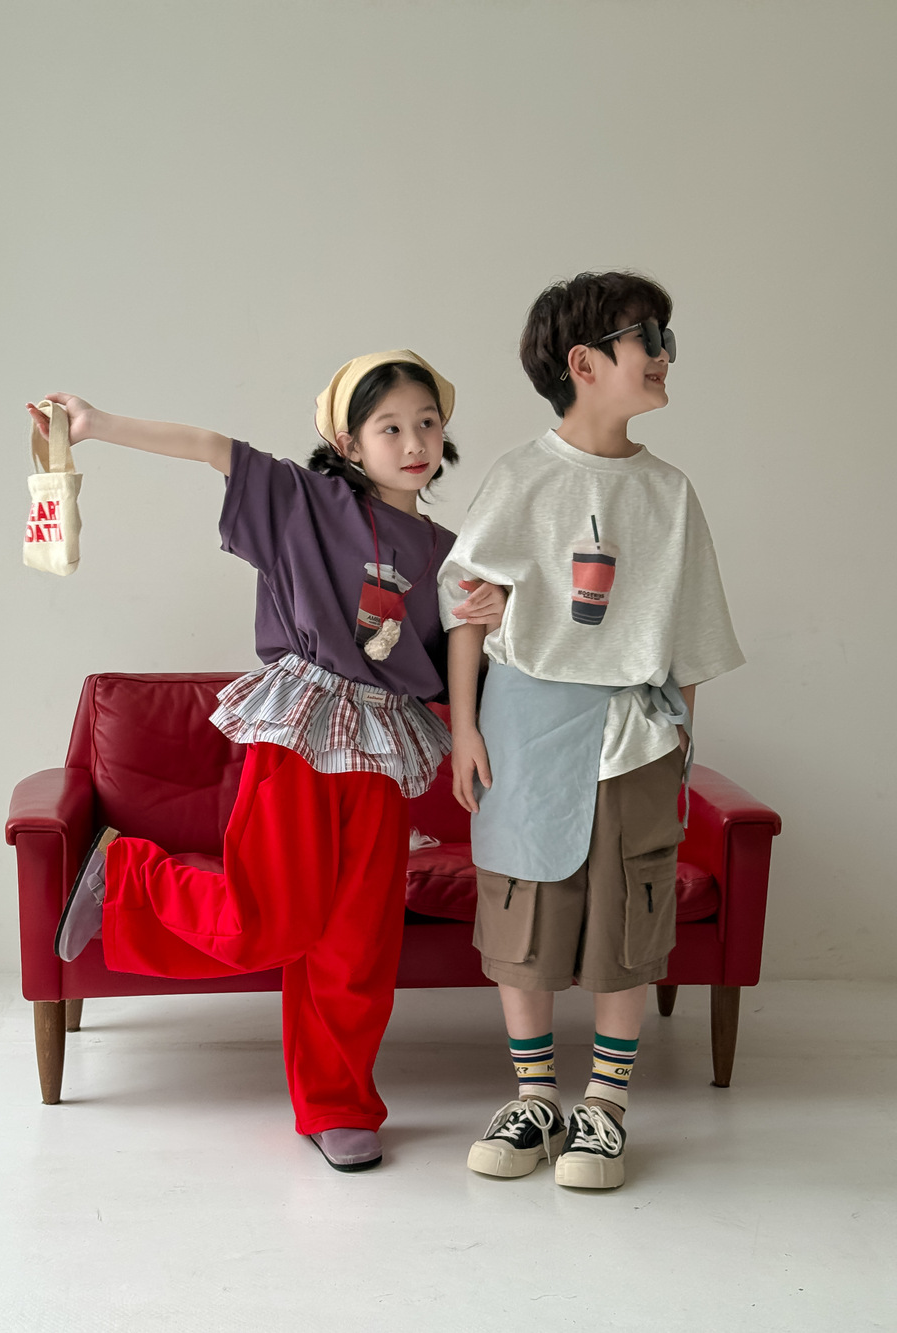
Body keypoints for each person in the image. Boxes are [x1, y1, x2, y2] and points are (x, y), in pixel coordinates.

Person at [25, 350, 505, 1173]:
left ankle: (338, 1104)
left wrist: (499, 612)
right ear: (350, 444)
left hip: (384, 747)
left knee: (358, 945)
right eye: (390, 426)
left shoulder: (451, 552)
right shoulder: (305, 503)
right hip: (300, 731)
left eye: (427, 423)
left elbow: (466, 657)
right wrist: (97, 424)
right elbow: (213, 447)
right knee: (266, 919)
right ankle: (129, 875)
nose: (414, 441)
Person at [437, 273, 745, 1189]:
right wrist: (464, 729)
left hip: (636, 733)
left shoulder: (669, 493)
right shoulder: (521, 477)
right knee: (522, 913)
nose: (665, 355)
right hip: (524, 725)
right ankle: (535, 1099)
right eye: (650, 337)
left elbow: (690, 638)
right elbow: (466, 608)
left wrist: (682, 750)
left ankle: (605, 1107)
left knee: (629, 914)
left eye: (666, 337)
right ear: (584, 362)